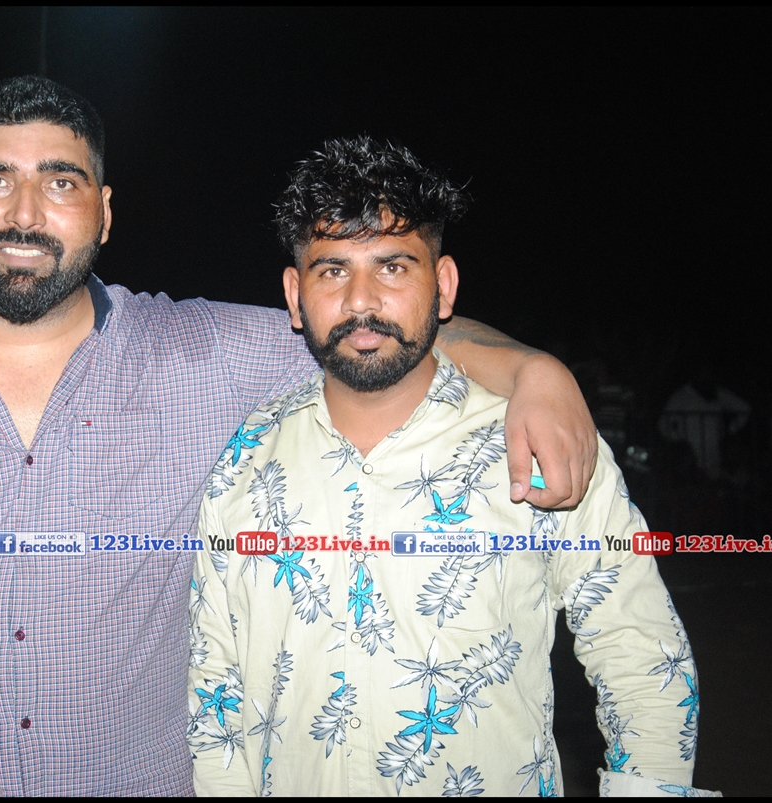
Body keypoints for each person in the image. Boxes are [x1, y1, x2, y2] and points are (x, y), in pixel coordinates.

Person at [0, 77, 598, 797]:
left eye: (60, 182)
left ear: (104, 212)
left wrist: (533, 370)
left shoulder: (199, 355)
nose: (24, 212)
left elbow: (372, 324)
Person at [189, 136, 715, 797]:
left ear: (442, 286)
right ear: (295, 295)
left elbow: (642, 656)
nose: (360, 301)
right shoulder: (245, 459)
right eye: (332, 271)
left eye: (392, 267)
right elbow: (217, 688)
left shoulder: (534, 443)